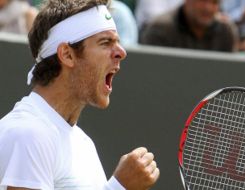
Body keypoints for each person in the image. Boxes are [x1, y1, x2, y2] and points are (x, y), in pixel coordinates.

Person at [0, 0, 160, 189]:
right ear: (67, 55)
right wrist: (119, 187)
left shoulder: (83, 144)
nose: (121, 52)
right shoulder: (29, 134)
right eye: (105, 42)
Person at [140, 0, 238, 52]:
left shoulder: (226, 31)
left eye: (214, 2)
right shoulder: (159, 28)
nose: (207, 8)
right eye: (202, 0)